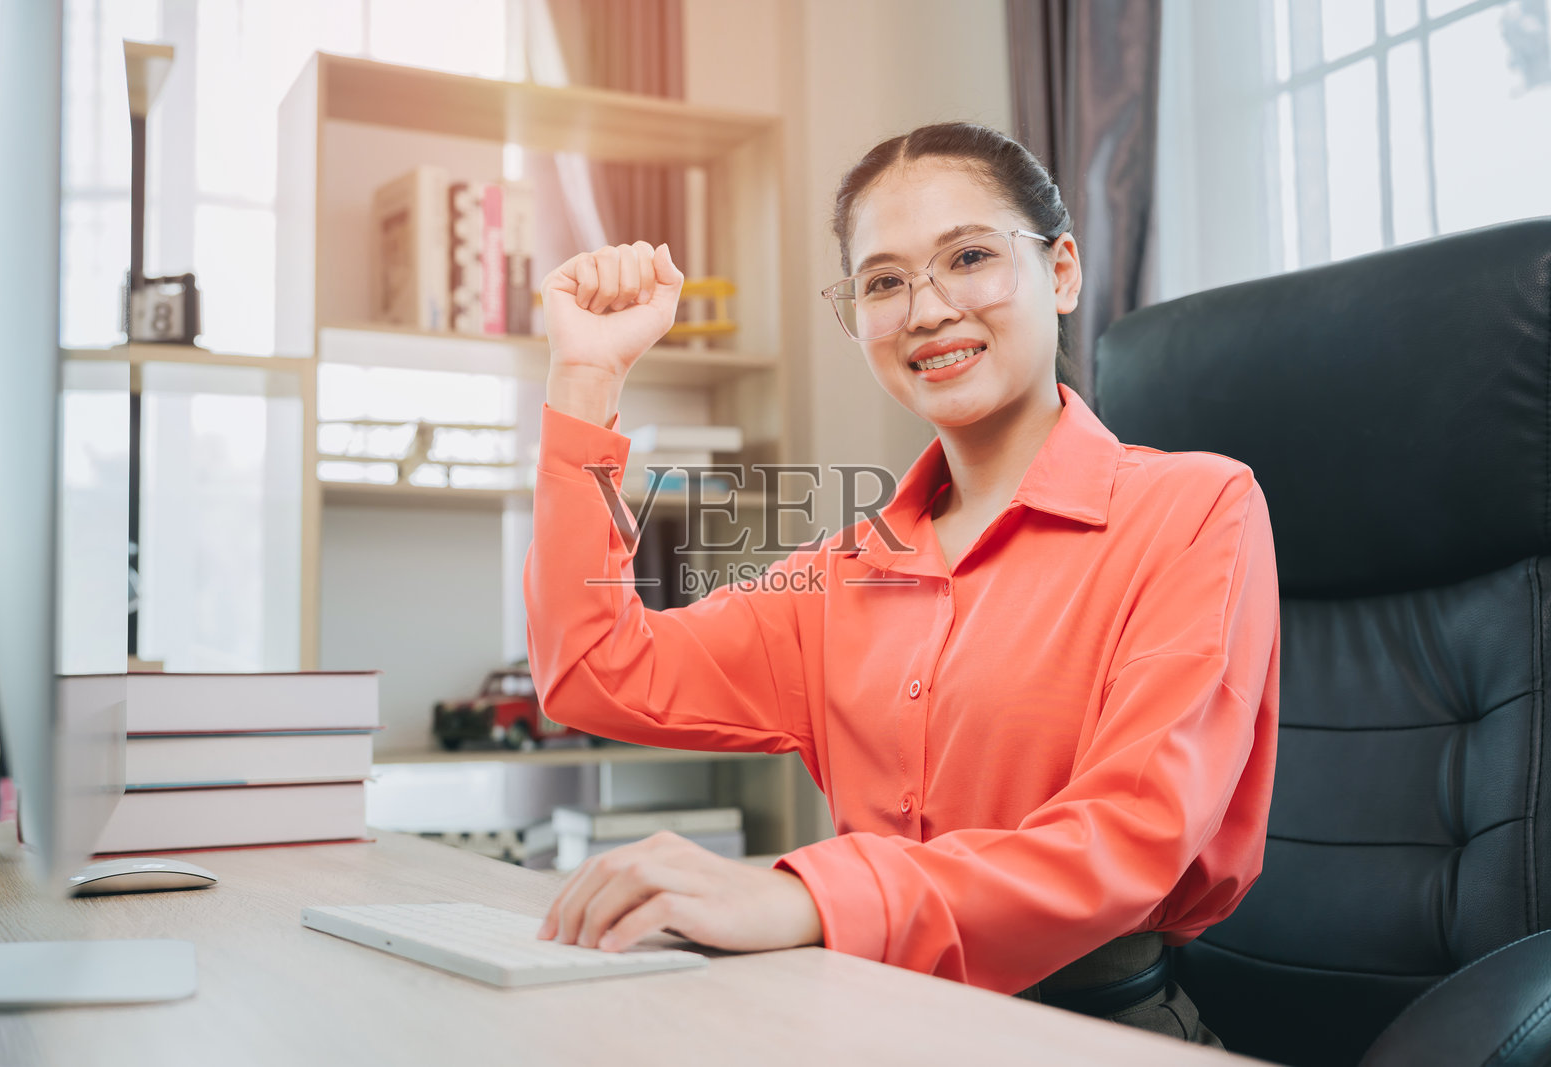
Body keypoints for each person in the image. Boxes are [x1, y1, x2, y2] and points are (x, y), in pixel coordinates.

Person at [526, 122, 1280, 1046]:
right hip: (872, 1018)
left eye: (969, 257)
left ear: (1062, 272)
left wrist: (810, 896)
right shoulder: (845, 571)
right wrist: (586, 377)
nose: (926, 311)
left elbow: (1131, 836)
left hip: (1091, 1030)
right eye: (884, 282)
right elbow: (592, 671)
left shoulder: (1197, 509)